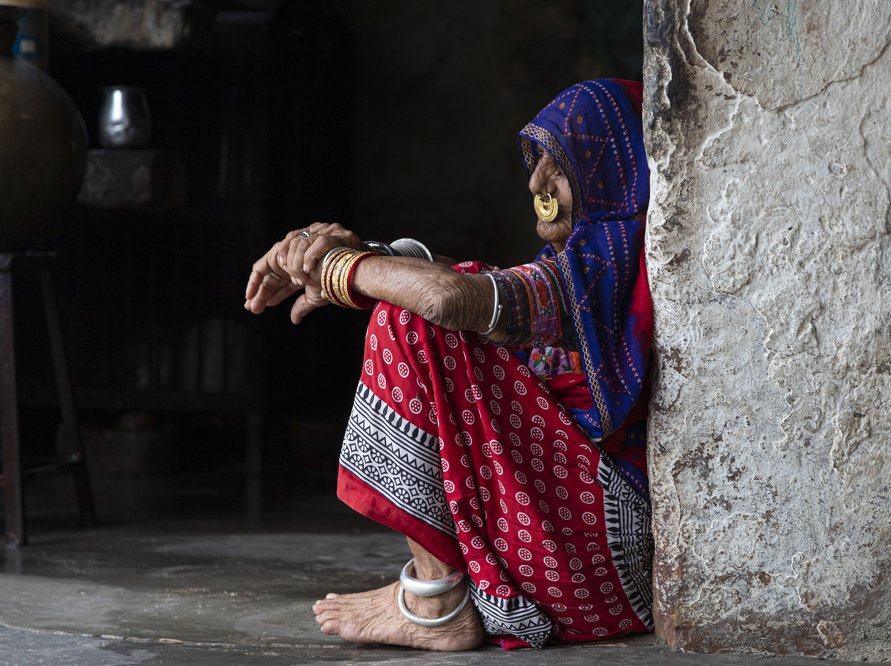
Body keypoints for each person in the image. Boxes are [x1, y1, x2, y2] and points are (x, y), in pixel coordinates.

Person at [244, 79, 654, 651]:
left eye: (559, 165)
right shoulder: (600, 261)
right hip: (595, 561)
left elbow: (447, 301)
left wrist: (341, 269)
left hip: (599, 567)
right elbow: (471, 290)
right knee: (436, 301)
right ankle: (442, 593)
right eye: (534, 162)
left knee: (408, 323)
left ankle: (436, 600)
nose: (535, 182)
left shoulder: (605, 267)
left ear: (611, 168)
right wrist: (366, 260)